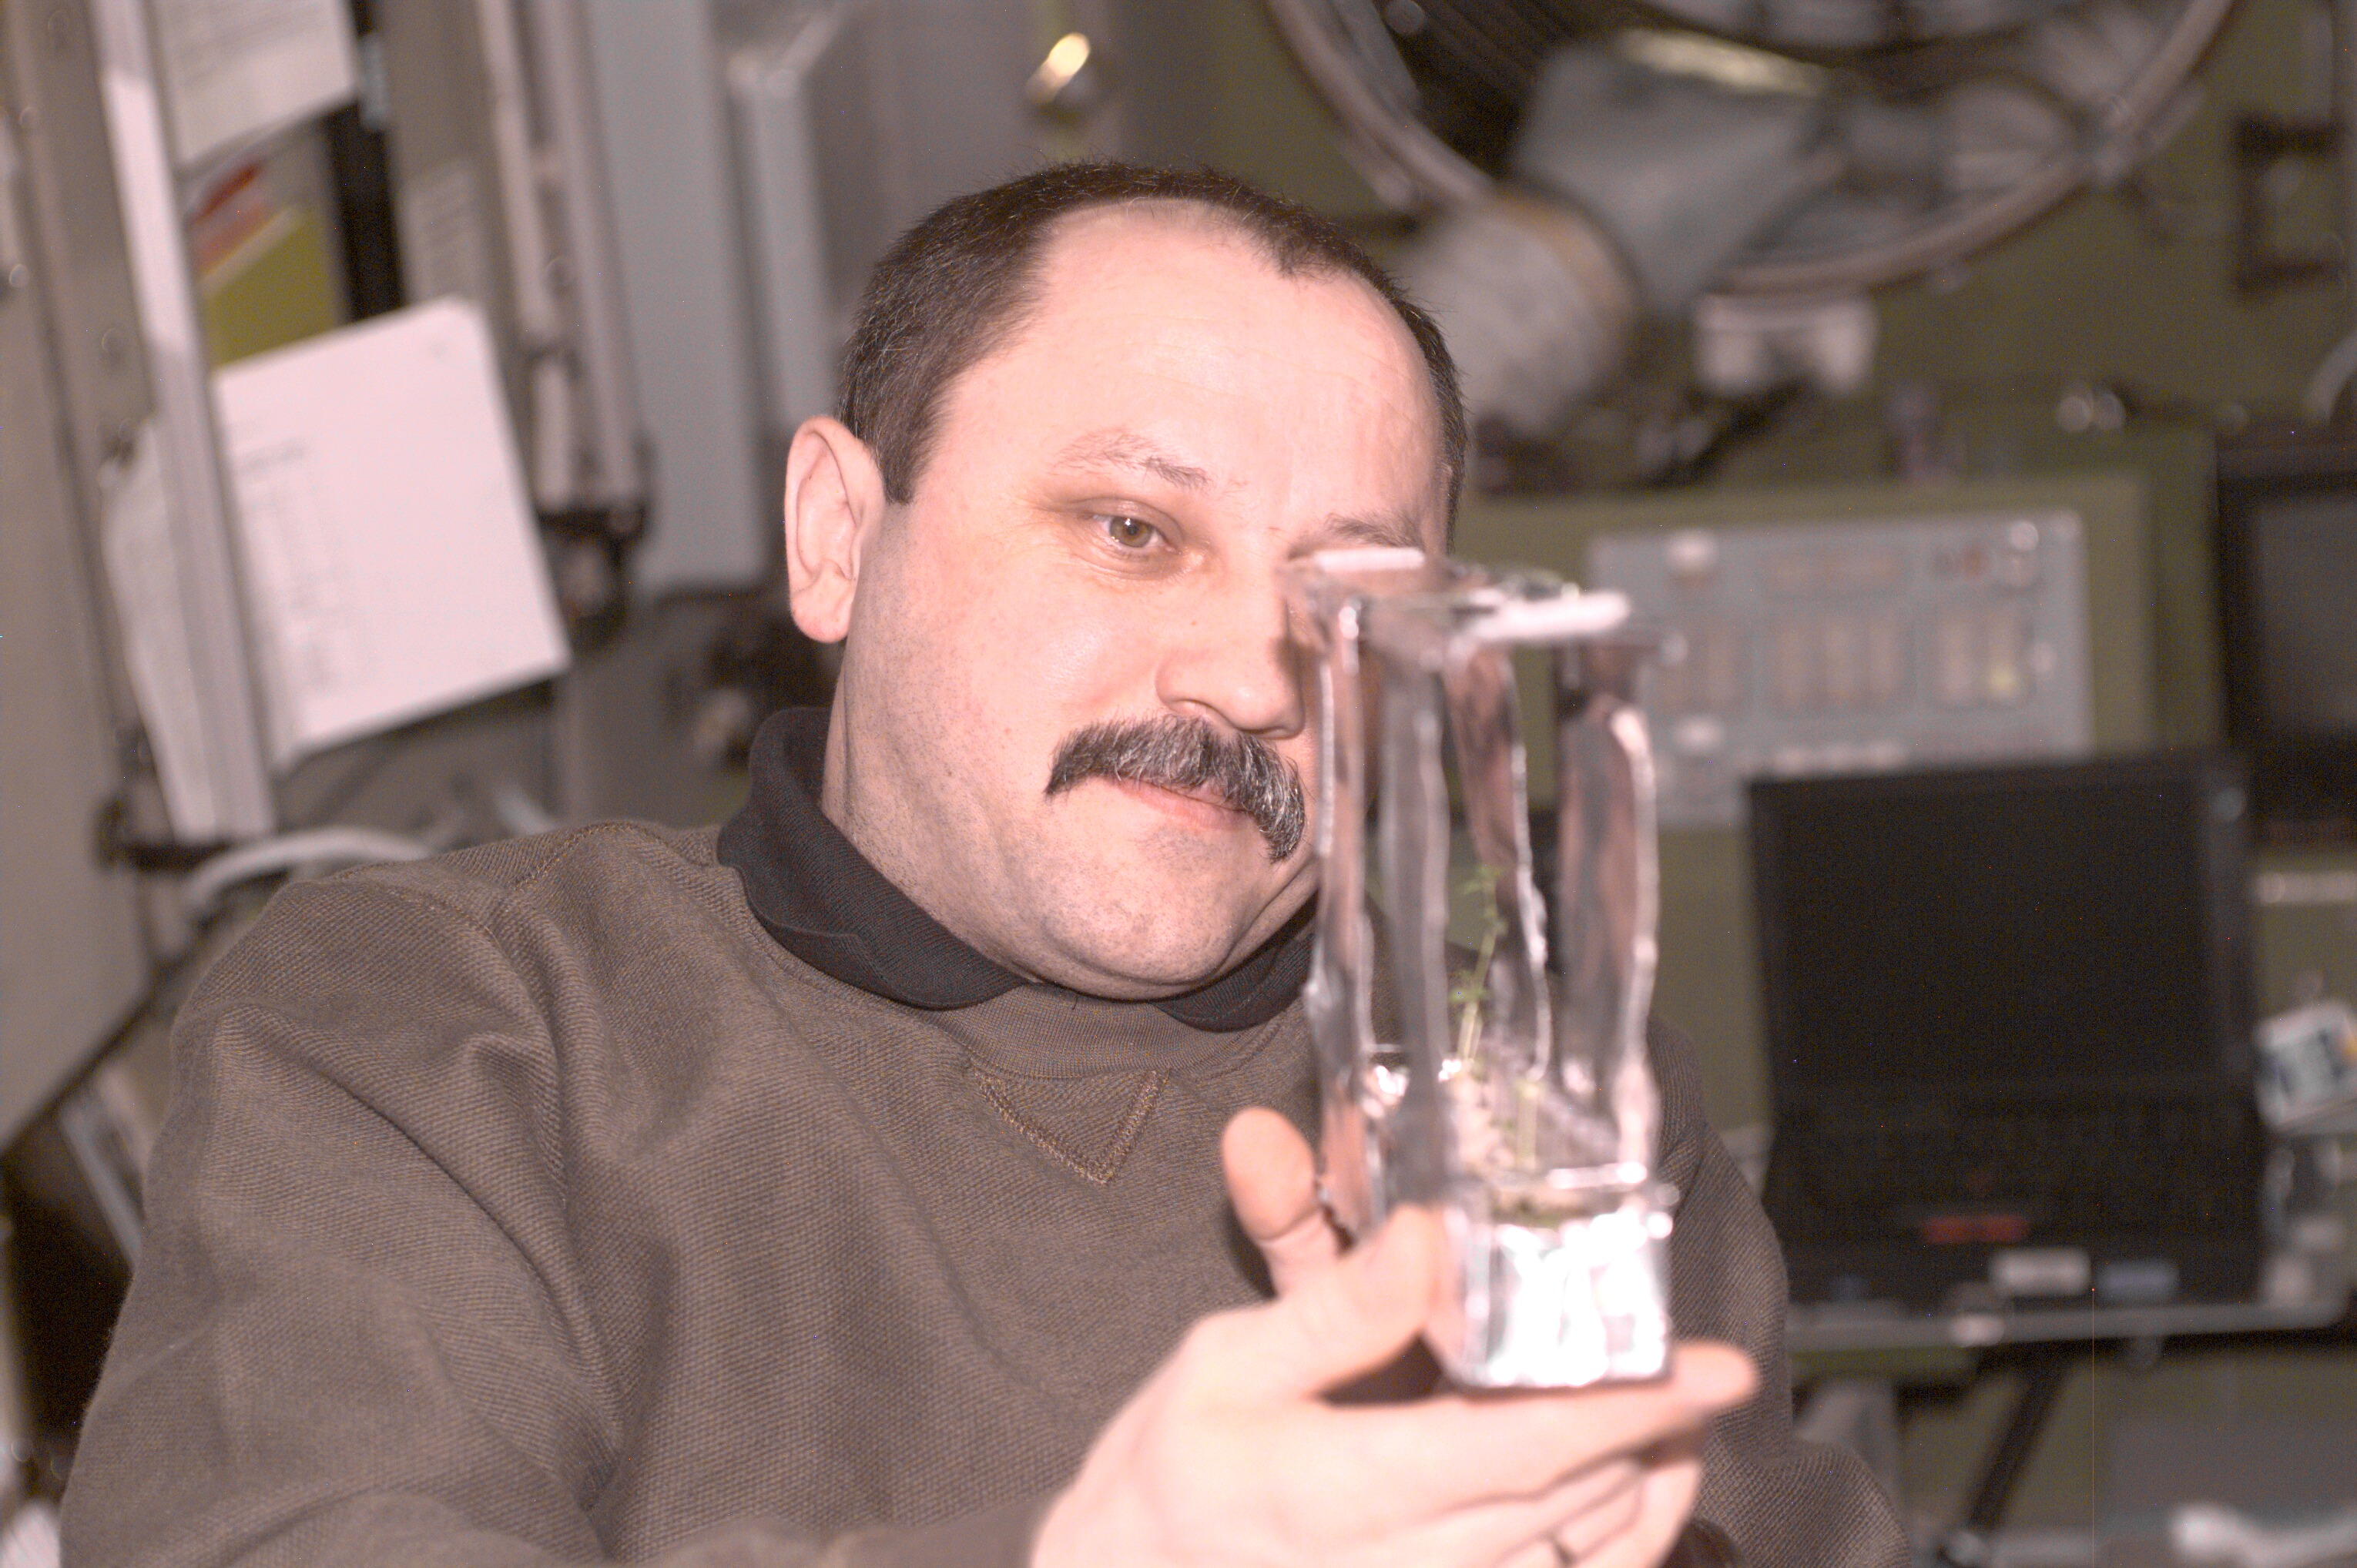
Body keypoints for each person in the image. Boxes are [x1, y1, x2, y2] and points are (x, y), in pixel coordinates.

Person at [60, 163, 1910, 1568]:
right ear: (836, 537)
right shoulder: (443, 1030)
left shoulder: (1508, 1094)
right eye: (1130, 529)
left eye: (1352, 599)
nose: (1256, 675)